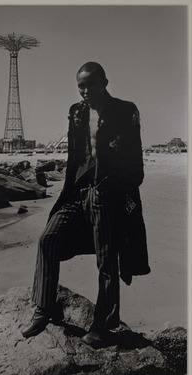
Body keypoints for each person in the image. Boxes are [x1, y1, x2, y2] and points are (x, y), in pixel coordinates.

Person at [22, 62, 150, 348]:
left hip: (107, 194)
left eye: (90, 84)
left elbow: (134, 161)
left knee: (106, 261)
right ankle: (44, 307)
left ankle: (103, 325)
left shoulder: (125, 110)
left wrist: (119, 190)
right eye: (80, 85)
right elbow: (75, 156)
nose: (85, 91)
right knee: (48, 239)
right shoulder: (76, 112)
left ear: (105, 82)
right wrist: (70, 189)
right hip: (77, 191)